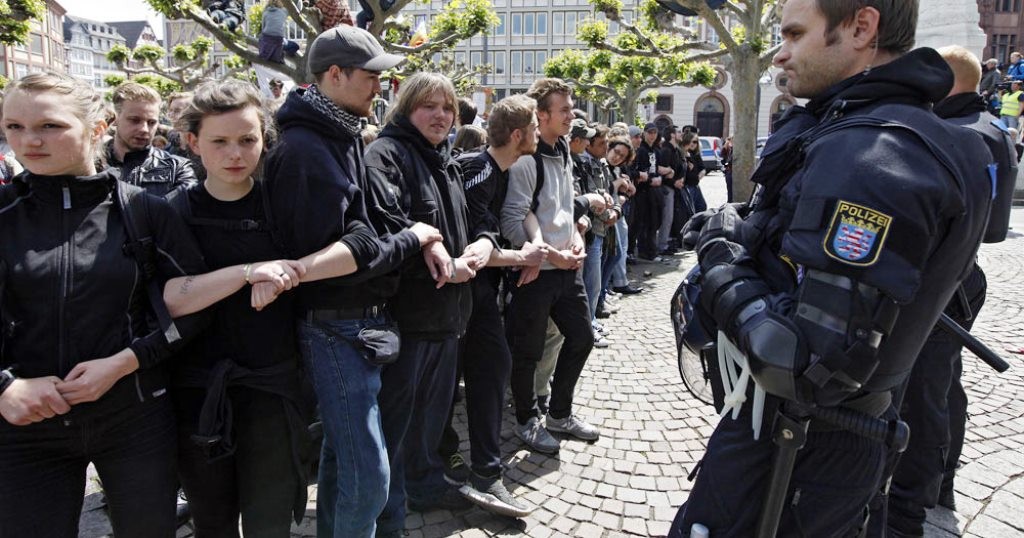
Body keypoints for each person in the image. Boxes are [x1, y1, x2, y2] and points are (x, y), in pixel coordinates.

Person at [670, 1, 993, 535]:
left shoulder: (877, 155)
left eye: (796, 33)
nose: (781, 52)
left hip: (796, 453)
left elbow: (806, 364)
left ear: (861, 28)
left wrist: (721, 260)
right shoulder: (880, 133)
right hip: (814, 445)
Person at [0, 72, 231, 538]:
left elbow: (195, 311)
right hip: (26, 427)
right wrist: (6, 385)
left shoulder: (145, 212)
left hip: (134, 417)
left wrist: (125, 363)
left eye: (49, 126)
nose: (29, 141)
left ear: (98, 128)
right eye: (14, 127)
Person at [169, 78, 370, 537]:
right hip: (200, 394)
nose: (234, 153)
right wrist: (249, 271)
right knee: (214, 522)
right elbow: (171, 298)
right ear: (192, 143)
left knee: (270, 522)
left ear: (265, 140)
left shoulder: (281, 203)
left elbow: (360, 241)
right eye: (219, 141)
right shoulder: (170, 210)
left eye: (247, 140)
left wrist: (288, 272)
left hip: (275, 390)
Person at [264, 25, 440, 538]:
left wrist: (392, 237)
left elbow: (363, 237)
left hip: (354, 324)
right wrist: (410, 238)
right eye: (372, 76)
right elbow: (345, 256)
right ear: (334, 75)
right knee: (369, 479)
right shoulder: (305, 149)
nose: (380, 86)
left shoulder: (336, 135)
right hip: (332, 326)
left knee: (345, 461)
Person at [885, 44, 1017, 537]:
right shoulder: (987, 128)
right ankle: (937, 480)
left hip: (943, 281)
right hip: (960, 273)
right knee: (941, 385)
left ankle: (916, 502)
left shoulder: (962, 135)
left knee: (924, 393)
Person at [363, 72, 478, 535]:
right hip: (407, 318)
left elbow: (466, 224)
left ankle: (425, 482)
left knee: (432, 416)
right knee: (399, 422)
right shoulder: (386, 154)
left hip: (447, 314)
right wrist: (426, 246)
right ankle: (392, 507)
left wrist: (477, 247)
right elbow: (384, 229)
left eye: (447, 108)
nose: (441, 115)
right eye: (429, 106)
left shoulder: (443, 159)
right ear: (406, 106)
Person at [442, 93, 546, 517]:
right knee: (460, 379)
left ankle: (483, 470)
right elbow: (469, 246)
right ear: (519, 134)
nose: (539, 136)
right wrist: (522, 257)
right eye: (535, 129)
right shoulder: (478, 169)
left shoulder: (498, 172)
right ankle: (455, 461)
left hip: (479, 293)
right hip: (459, 293)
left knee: (489, 370)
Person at [500, 77, 599, 455]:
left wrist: (576, 230)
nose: (571, 115)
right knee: (527, 350)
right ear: (540, 116)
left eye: (570, 109)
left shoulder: (563, 150)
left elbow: (563, 206)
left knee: (582, 337)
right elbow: (513, 220)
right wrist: (550, 254)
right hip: (537, 273)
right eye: (564, 110)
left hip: (566, 269)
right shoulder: (527, 158)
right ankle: (527, 420)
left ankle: (559, 414)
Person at [106, 82, 197, 196]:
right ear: (115, 119)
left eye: (151, 122)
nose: (144, 129)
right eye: (135, 120)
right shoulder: (93, 164)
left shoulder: (177, 168)